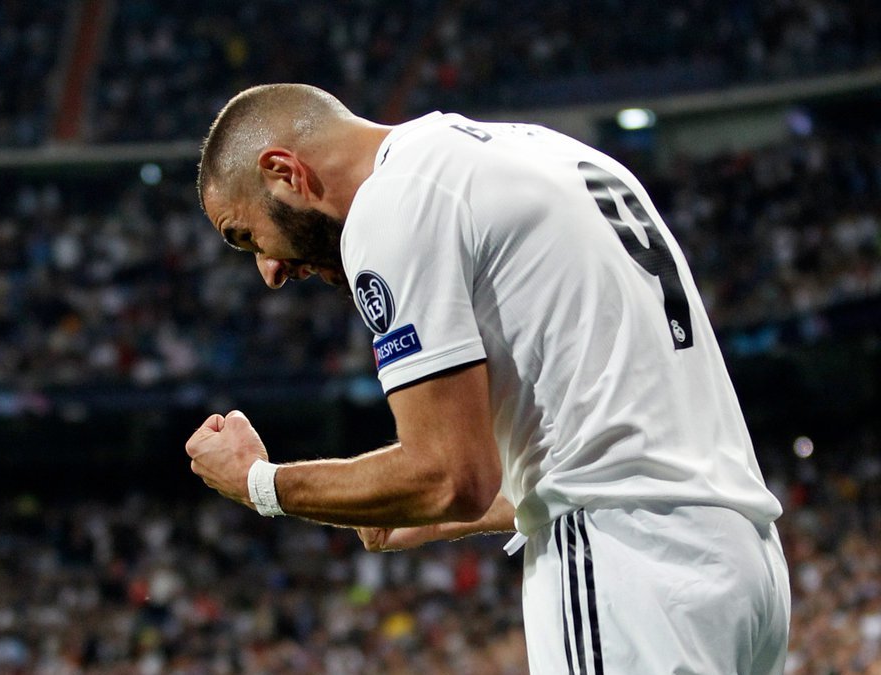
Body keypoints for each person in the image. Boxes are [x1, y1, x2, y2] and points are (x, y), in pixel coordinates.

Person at [184, 83, 790, 674]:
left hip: (626, 571)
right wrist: (435, 505)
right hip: (744, 562)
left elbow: (452, 476)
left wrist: (258, 483)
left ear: (284, 172)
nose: (268, 270)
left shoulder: (392, 202)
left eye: (246, 236)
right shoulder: (542, 150)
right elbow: (619, 441)